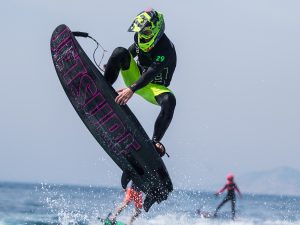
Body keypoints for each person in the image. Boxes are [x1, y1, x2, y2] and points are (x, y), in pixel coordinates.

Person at [103, 8, 177, 157]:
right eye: (141, 32)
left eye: (147, 33)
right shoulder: (139, 38)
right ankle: (102, 87)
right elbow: (131, 52)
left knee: (170, 100)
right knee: (119, 52)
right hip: (137, 77)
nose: (143, 36)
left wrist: (131, 89)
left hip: (154, 87)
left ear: (156, 30)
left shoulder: (165, 49)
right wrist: (114, 64)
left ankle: (155, 141)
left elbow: (151, 73)